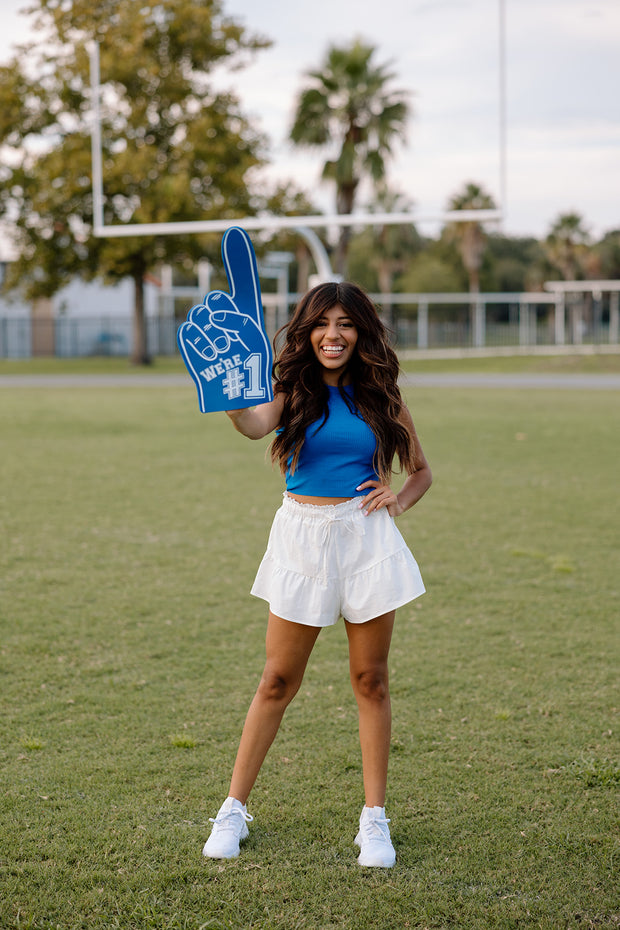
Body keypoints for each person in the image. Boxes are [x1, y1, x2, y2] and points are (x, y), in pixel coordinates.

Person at [203, 281, 432, 868]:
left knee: (370, 679)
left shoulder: (380, 394)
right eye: (323, 323)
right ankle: (233, 809)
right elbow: (254, 427)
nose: (334, 335)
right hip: (301, 536)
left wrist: (397, 501)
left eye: (346, 324)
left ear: (362, 332)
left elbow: (421, 471)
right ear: (307, 331)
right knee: (277, 679)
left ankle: (374, 822)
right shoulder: (290, 389)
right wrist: (227, 394)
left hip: (366, 538)